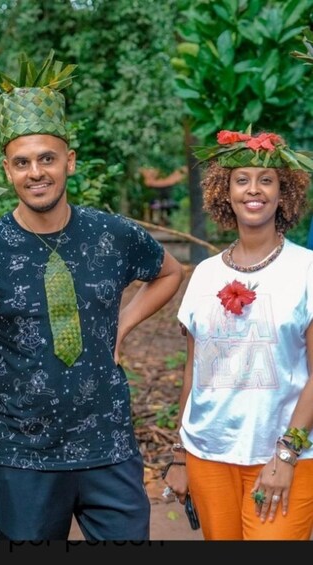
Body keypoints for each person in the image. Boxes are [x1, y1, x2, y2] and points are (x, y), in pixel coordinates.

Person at [0, 52, 185, 541]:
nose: (35, 172)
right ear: (7, 170)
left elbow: (169, 272)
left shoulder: (112, 234)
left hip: (109, 446)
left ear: (69, 162)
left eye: (47, 158)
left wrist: (122, 324)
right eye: (22, 162)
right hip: (23, 457)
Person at [163, 128, 313, 540]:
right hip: (208, 455)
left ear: (283, 193)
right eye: (241, 180)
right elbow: (194, 372)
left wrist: (287, 452)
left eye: (266, 180)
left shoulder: (306, 270)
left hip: (285, 455)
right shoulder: (204, 274)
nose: (254, 190)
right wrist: (180, 453)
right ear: (224, 193)